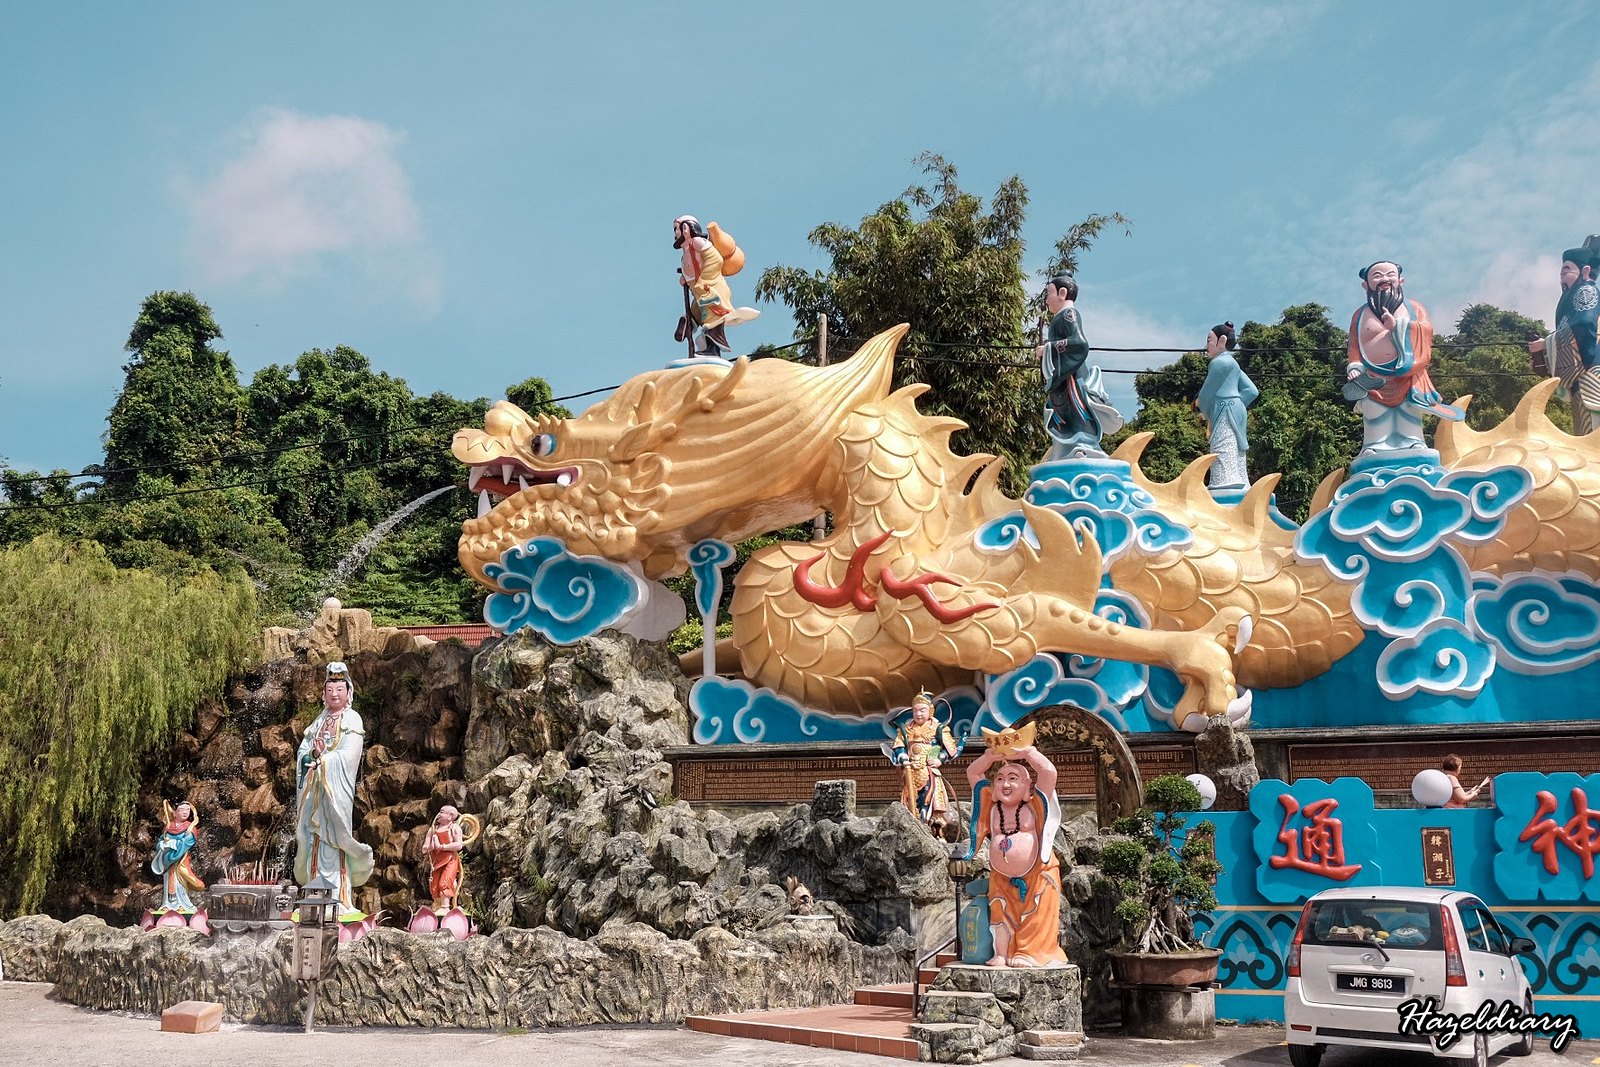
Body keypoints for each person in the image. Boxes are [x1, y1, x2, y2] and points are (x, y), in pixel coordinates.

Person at [966, 726, 1069, 967]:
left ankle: (1029, 952)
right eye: (1000, 778)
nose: (1005, 784)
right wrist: (989, 757)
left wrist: (1029, 753)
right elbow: (973, 773)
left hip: (1037, 874)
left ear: (1026, 788)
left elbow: (1048, 772)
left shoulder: (1034, 805)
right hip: (1002, 876)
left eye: (1013, 779)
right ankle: (1002, 953)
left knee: (1035, 913)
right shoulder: (991, 806)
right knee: (1000, 912)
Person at [1345, 261, 1463, 453]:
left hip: (1408, 372)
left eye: (1389, 274)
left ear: (1401, 280)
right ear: (1366, 285)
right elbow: (1354, 344)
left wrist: (1399, 326)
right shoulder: (1359, 314)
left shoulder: (1414, 308)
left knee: (1409, 407)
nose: (1384, 279)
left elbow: (1425, 330)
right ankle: (1374, 445)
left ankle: (1413, 442)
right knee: (1374, 409)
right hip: (1373, 375)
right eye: (1377, 276)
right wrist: (1355, 366)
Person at [294, 661, 374, 917]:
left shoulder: (352, 719)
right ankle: (313, 898)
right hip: (315, 794)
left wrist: (324, 760)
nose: (334, 694)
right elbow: (303, 753)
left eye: (339, 688)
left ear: (348, 692)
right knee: (315, 842)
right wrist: (309, 758)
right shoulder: (319, 721)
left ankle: (340, 899)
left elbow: (350, 756)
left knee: (335, 842)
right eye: (330, 689)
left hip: (335, 793)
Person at [1037, 274, 1122, 459]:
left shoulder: (1069, 314)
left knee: (1076, 413)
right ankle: (1065, 450)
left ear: (1062, 293)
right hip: (1063, 380)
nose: (1046, 300)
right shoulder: (1061, 317)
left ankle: (1083, 446)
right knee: (1062, 414)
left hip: (1071, 379)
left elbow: (1079, 343)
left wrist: (1049, 349)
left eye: (1048, 293)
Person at [1528, 240, 1600, 433]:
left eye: (1566, 271)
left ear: (1585, 272)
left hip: (1592, 376)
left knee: (1591, 433)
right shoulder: (1575, 295)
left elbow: (1584, 325)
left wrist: (1546, 344)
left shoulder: (1586, 290)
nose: (1561, 279)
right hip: (1583, 379)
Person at [673, 215, 759, 360]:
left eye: (676, 228)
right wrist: (687, 281)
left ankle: (712, 350)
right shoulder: (686, 254)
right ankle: (688, 323)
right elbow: (693, 273)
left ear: (685, 228)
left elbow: (715, 260)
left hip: (712, 289)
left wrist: (703, 281)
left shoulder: (698, 242)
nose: (675, 233)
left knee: (712, 321)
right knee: (696, 313)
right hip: (701, 295)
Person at [890, 691, 964, 838]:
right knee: (910, 800)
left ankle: (936, 831)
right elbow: (898, 746)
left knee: (932, 801)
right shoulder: (905, 729)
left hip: (929, 771)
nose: (918, 714)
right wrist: (903, 756)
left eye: (922, 710)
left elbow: (950, 750)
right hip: (911, 771)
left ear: (930, 711)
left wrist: (939, 760)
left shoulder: (938, 728)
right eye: (915, 711)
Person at [1195, 321, 1259, 489]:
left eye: (1209, 340)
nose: (1207, 345)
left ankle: (1224, 483)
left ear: (1221, 341)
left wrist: (1206, 411)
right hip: (1236, 409)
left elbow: (1205, 394)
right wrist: (1237, 403)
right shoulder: (1233, 364)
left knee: (1222, 444)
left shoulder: (1220, 363)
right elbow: (1252, 391)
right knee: (1237, 448)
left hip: (1223, 408)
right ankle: (1242, 482)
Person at [151, 800, 205, 913]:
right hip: (168, 858)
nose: (185, 812)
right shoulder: (168, 827)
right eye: (182, 810)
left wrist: (173, 845)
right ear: (175, 813)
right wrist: (162, 845)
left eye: (187, 810)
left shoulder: (190, 828)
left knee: (180, 882)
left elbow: (187, 843)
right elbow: (161, 841)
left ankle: (182, 904)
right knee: (168, 882)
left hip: (180, 860)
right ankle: (167, 904)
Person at [426, 805, 467, 912]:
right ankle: (437, 907)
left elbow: (458, 845)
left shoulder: (454, 828)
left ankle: (445, 908)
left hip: (450, 859)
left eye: (442, 812)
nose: (439, 814)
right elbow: (424, 849)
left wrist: (442, 847)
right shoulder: (433, 830)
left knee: (445, 882)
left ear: (450, 816)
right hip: (436, 861)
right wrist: (432, 846)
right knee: (434, 885)